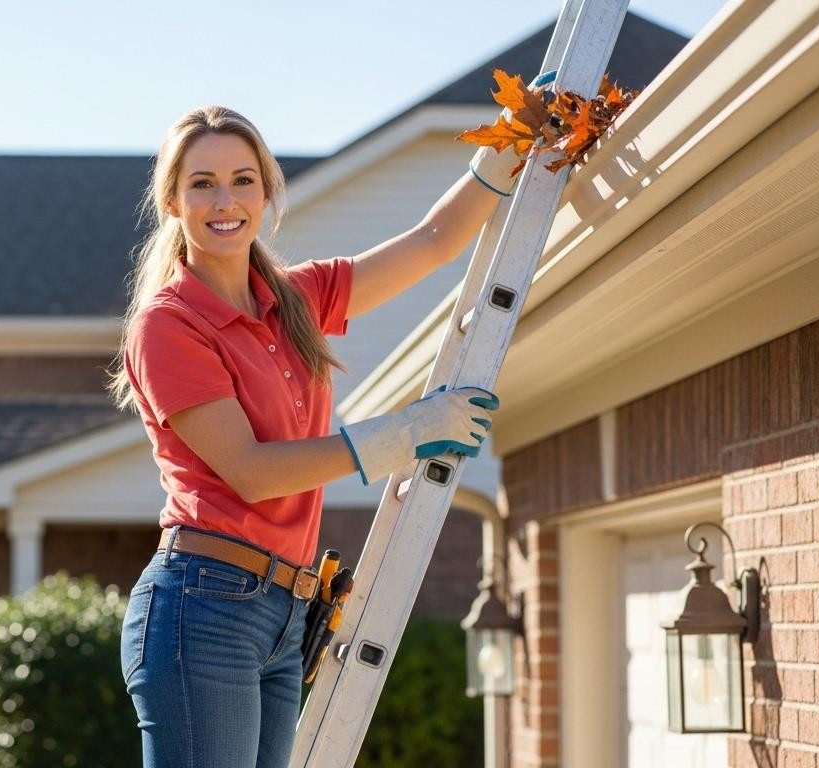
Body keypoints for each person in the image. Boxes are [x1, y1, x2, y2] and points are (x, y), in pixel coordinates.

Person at [110, 96, 537, 767]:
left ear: (267, 192)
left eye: (243, 180)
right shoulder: (168, 326)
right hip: (204, 609)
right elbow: (251, 471)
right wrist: (403, 434)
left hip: (286, 609)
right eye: (203, 183)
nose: (226, 200)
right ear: (172, 202)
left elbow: (434, 242)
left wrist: (500, 155)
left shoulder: (294, 301)